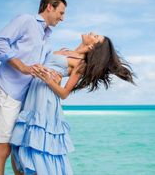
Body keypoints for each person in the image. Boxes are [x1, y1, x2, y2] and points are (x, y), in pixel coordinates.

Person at [10, 32, 135, 175]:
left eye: (95, 37)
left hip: (45, 100)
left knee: (37, 149)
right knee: (20, 146)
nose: (92, 33)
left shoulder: (81, 64)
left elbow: (64, 93)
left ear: (93, 46)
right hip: (33, 95)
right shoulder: (70, 52)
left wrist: (49, 80)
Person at [0, 0, 67, 175]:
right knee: (2, 149)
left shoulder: (46, 40)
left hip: (26, 99)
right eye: (61, 13)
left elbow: (43, 68)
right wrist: (22, 66)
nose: (62, 18)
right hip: (7, 90)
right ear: (49, 7)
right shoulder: (27, 21)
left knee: (19, 149)